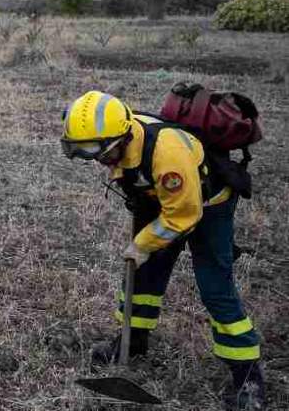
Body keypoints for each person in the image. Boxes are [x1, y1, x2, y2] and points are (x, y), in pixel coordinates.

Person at [61, 90, 264, 410]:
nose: (94, 159)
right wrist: (144, 247)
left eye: (96, 151)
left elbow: (184, 215)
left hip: (207, 207)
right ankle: (134, 341)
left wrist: (142, 243)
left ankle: (248, 377)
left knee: (215, 288)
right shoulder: (124, 136)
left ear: (120, 138)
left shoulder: (168, 155)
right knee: (143, 276)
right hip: (161, 201)